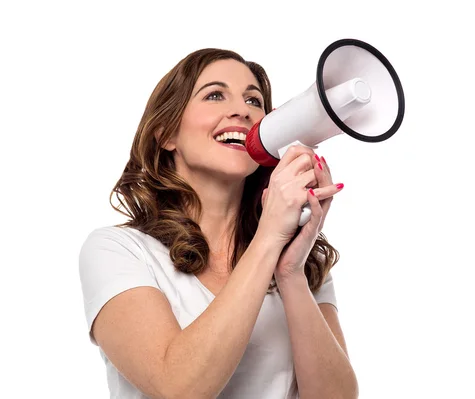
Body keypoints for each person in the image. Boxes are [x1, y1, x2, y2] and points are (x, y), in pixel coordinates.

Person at [78, 47, 359, 399]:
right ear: (166, 134)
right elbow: (179, 386)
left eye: (254, 101)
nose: (242, 110)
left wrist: (290, 274)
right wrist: (269, 237)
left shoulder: (300, 260)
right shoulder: (117, 251)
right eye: (214, 94)